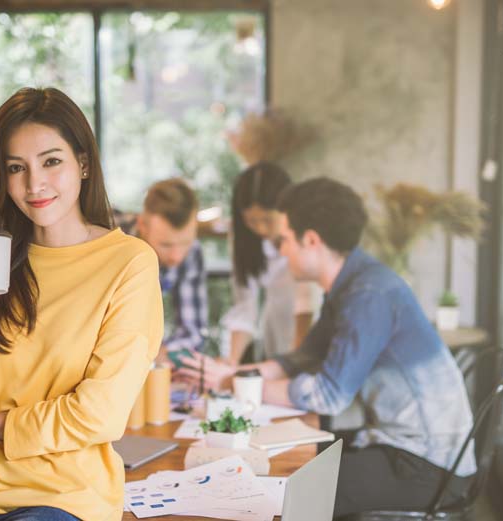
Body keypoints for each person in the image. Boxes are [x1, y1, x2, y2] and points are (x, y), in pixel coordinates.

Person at [0, 87, 163, 521]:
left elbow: (99, 415)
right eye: (16, 168)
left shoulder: (129, 263)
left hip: (62, 498)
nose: (34, 184)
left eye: (51, 161)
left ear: (82, 164)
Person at [178, 177, 476, 518]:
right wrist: (230, 374)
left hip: (428, 464)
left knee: (292, 493)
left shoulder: (368, 295)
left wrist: (231, 384)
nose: (280, 250)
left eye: (285, 239)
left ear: (311, 240)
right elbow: (300, 359)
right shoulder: (353, 282)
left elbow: (328, 394)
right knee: (278, 467)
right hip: (403, 447)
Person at [222, 162, 320, 364]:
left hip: (311, 331)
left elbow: (306, 303)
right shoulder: (242, 239)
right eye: (251, 221)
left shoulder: (305, 233)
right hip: (275, 330)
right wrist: (231, 361)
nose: (260, 228)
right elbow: (244, 305)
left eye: (267, 219)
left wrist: (297, 360)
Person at [116, 178, 208, 361]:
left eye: (185, 243)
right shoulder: (111, 237)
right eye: (166, 245)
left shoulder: (193, 252)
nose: (177, 256)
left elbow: (193, 332)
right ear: (142, 225)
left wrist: (157, 355)